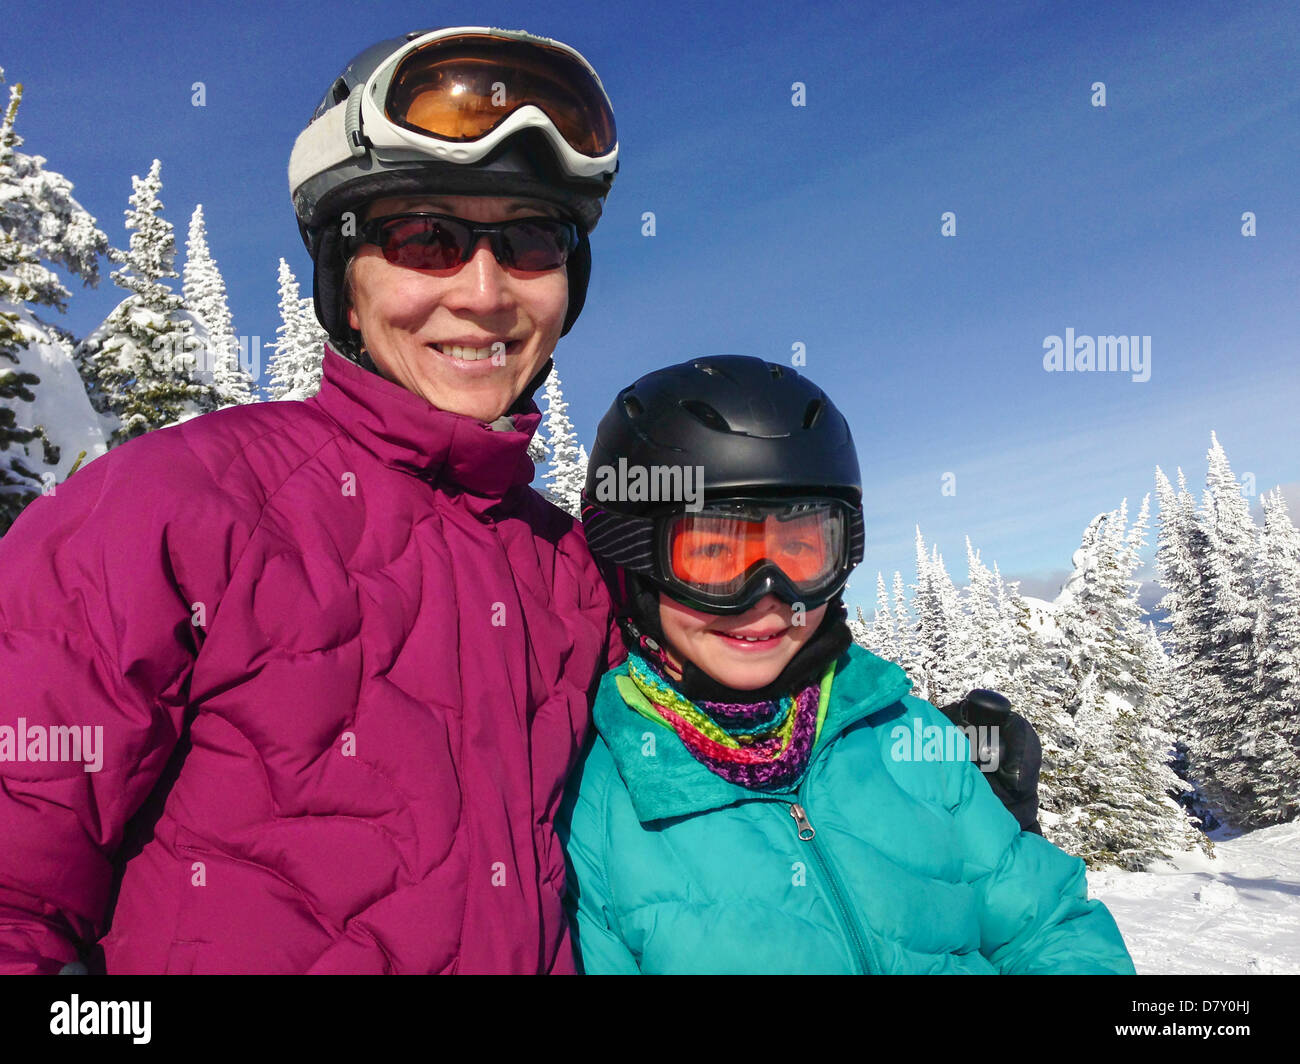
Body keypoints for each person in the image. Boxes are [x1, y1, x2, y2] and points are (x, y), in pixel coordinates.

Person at [0, 26, 621, 974]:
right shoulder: (177, 506)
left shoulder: (573, 574)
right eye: (427, 238)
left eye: (532, 240)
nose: (486, 292)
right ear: (345, 278)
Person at [558, 355, 1136, 974]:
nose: (767, 598)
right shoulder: (596, 810)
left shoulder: (907, 733)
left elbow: (1046, 930)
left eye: (802, 550)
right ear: (634, 563)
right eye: (712, 553)